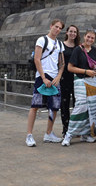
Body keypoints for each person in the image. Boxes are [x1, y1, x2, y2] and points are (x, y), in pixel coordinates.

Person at [25, 19, 65, 147]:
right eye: (56, 26)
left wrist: (59, 76)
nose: (57, 29)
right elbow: (37, 59)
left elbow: (62, 63)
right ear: (51, 26)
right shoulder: (42, 40)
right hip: (42, 76)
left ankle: (49, 133)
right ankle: (29, 134)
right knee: (35, 105)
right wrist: (43, 77)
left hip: (54, 78)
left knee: (54, 107)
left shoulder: (59, 44)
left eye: (60, 28)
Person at [61, 29, 96, 146]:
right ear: (84, 37)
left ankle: (86, 133)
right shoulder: (78, 50)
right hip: (80, 80)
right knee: (81, 105)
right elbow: (70, 67)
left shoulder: (94, 51)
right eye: (88, 37)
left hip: (92, 81)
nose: (90, 40)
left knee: (91, 108)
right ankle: (69, 134)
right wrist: (85, 71)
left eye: (92, 38)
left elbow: (95, 64)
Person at [60, 25, 80, 137]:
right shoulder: (61, 46)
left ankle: (75, 127)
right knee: (65, 104)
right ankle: (66, 128)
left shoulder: (78, 47)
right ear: (67, 32)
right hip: (64, 78)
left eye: (75, 32)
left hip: (76, 78)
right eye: (71, 31)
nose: (73, 33)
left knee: (77, 104)